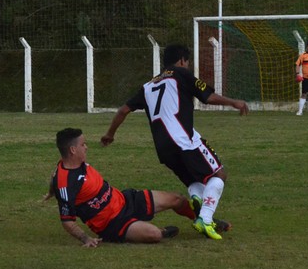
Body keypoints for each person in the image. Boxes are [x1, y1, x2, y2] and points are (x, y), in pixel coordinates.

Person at [102, 44, 249, 240]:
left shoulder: (148, 86)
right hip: (182, 141)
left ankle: (197, 198)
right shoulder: (181, 74)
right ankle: (204, 219)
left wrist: (110, 134)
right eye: (187, 62)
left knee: (195, 179)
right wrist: (234, 102)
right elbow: (208, 96)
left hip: (164, 149)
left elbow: (123, 111)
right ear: (181, 60)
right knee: (218, 174)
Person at [46, 128, 192, 246]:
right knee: (155, 235)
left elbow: (55, 177)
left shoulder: (72, 166)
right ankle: (159, 231)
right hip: (112, 224)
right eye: (83, 144)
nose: (86, 147)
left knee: (177, 199)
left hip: (124, 200)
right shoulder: (65, 182)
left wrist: (51, 192)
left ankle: (203, 220)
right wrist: (86, 239)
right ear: (72, 150)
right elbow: (67, 221)